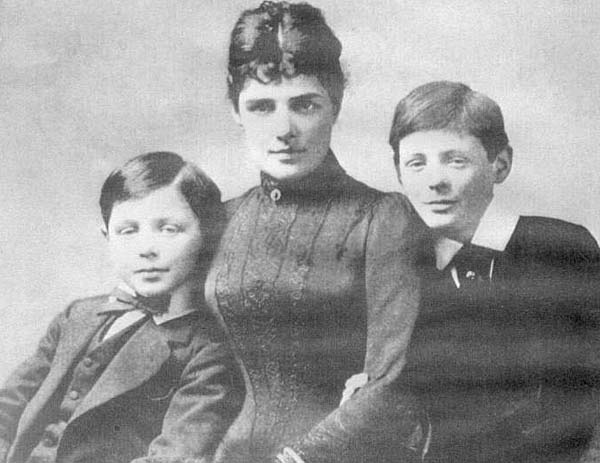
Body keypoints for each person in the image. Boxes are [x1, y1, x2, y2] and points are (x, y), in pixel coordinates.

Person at [204, 2, 428, 463]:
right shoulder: (220, 219)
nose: (284, 129)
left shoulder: (383, 218)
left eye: (305, 105)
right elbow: (193, 364)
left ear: (336, 104)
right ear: (234, 110)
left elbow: (391, 379)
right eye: (261, 106)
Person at [389, 80, 600, 462]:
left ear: (499, 164)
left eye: (455, 160)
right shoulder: (402, 267)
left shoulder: (562, 248)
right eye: (416, 163)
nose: (435, 180)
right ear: (400, 174)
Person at [0, 152, 244, 463]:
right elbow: (8, 408)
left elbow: (173, 457)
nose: (147, 249)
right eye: (128, 231)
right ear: (107, 237)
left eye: (169, 229)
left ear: (208, 235)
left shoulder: (207, 352)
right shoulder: (78, 316)